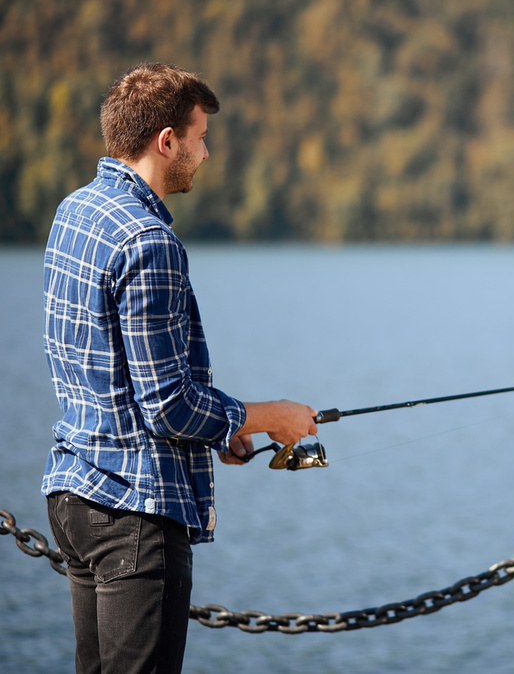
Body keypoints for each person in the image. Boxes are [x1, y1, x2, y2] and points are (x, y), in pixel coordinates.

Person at [41, 62, 319, 674]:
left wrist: (225, 430)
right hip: (136, 515)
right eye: (198, 137)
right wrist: (276, 417)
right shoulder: (150, 242)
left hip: (76, 495)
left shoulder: (75, 212)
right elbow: (167, 405)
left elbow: (109, 372)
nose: (206, 152)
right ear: (165, 141)